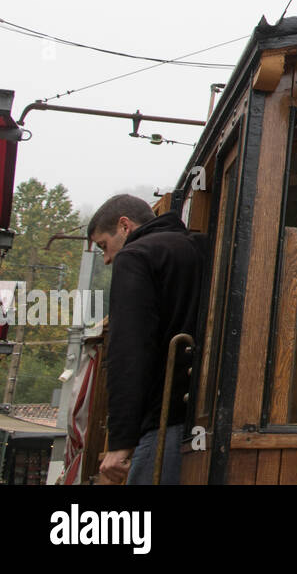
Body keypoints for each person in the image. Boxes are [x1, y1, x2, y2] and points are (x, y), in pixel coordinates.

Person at [88, 194, 204, 485]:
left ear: (124, 225)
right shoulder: (202, 248)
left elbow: (129, 351)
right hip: (204, 422)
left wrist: (120, 442)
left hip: (164, 425)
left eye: (104, 245)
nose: (107, 258)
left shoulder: (136, 256)